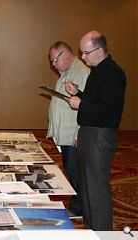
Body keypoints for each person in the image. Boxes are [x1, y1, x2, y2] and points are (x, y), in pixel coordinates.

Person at [65, 31, 126, 230]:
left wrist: (81, 105)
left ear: (99, 50)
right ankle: (92, 230)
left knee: (97, 190)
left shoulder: (113, 73)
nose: (82, 57)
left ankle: (102, 233)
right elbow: (97, 103)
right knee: (88, 187)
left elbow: (110, 114)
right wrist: (78, 94)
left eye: (86, 52)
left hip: (99, 135)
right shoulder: (98, 71)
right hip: (89, 133)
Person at [47, 41, 90, 217]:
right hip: (64, 134)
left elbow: (87, 106)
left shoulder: (82, 73)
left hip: (73, 134)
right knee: (71, 170)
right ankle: (76, 203)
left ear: (64, 54)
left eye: (54, 60)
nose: (53, 64)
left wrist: (79, 133)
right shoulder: (66, 72)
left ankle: (79, 208)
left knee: (75, 171)